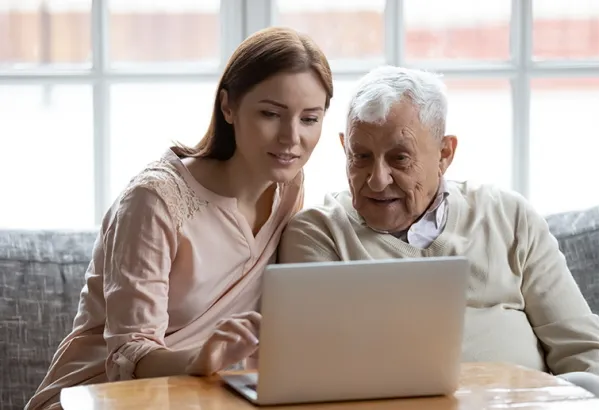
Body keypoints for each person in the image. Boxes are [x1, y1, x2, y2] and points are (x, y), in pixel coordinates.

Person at [26, 26, 333, 410]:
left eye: (309, 119)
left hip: (203, 397)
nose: (291, 138)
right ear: (228, 107)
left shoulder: (288, 186)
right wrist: (199, 359)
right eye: (271, 114)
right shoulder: (153, 202)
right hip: (101, 396)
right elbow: (128, 354)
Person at [277, 65, 599, 396]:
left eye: (399, 158)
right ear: (345, 148)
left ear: (445, 154)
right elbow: (320, 371)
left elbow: (582, 349)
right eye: (361, 156)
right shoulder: (318, 234)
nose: (377, 179)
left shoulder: (509, 216)